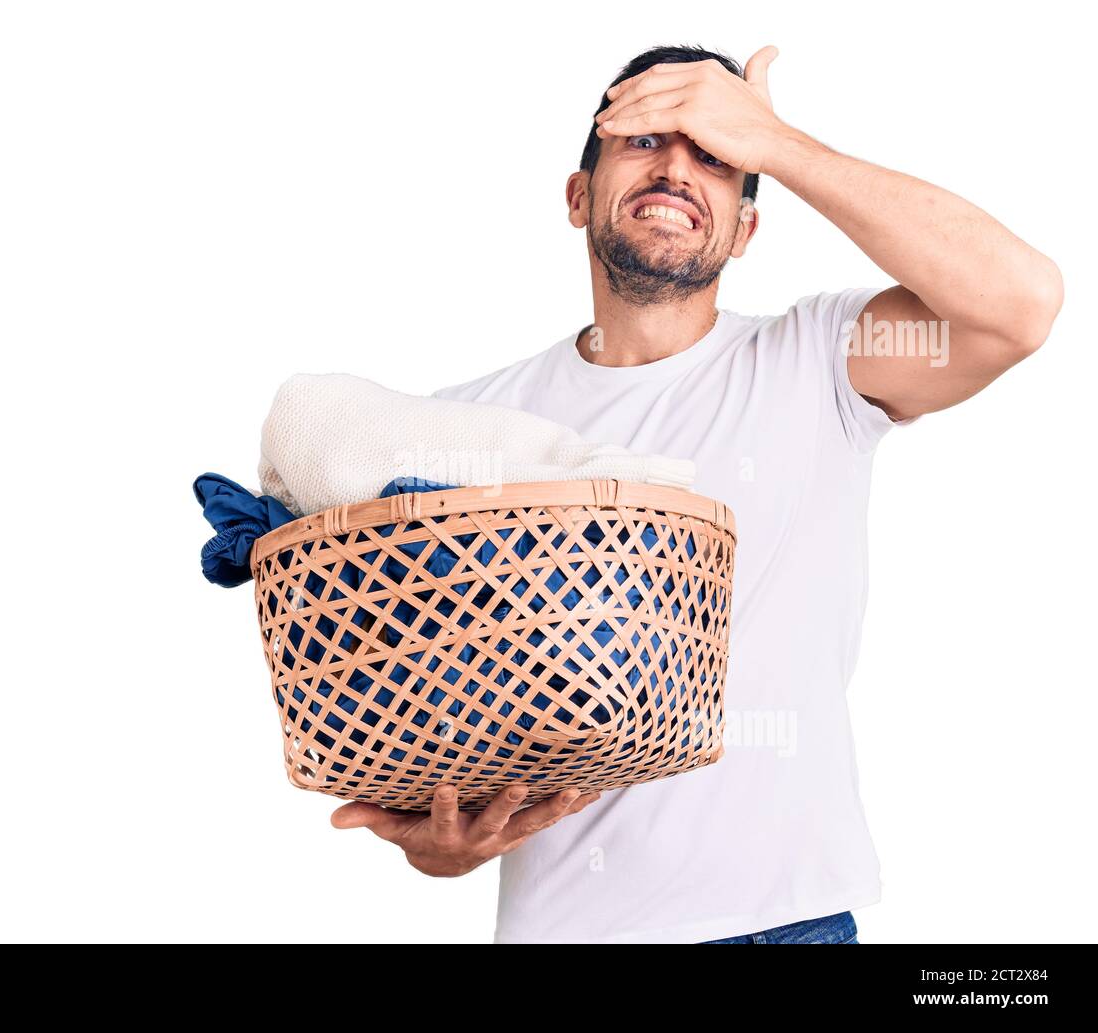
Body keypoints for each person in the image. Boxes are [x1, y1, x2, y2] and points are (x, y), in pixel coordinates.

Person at [329, 44, 1062, 944]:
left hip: (784, 929)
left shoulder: (821, 364)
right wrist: (439, 842)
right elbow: (437, 706)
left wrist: (779, 142)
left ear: (745, 231)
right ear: (576, 197)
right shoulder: (468, 426)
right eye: (642, 140)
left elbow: (1019, 305)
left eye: (716, 154)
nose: (678, 165)